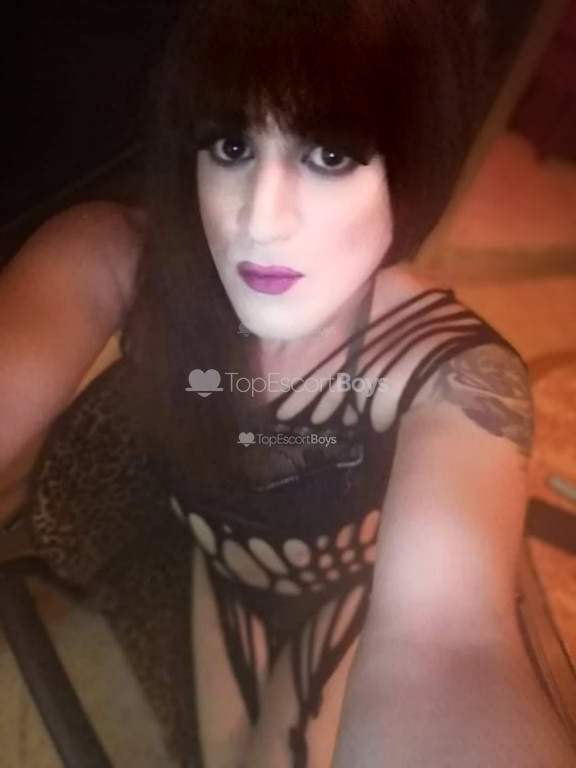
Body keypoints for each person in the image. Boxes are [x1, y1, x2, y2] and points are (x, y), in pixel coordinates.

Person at [1, 1, 575, 767]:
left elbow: (446, 643)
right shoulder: (117, 260)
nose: (260, 219)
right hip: (212, 576)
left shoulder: (452, 376)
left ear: (411, 165)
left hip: (345, 599)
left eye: (329, 154)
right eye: (233, 144)